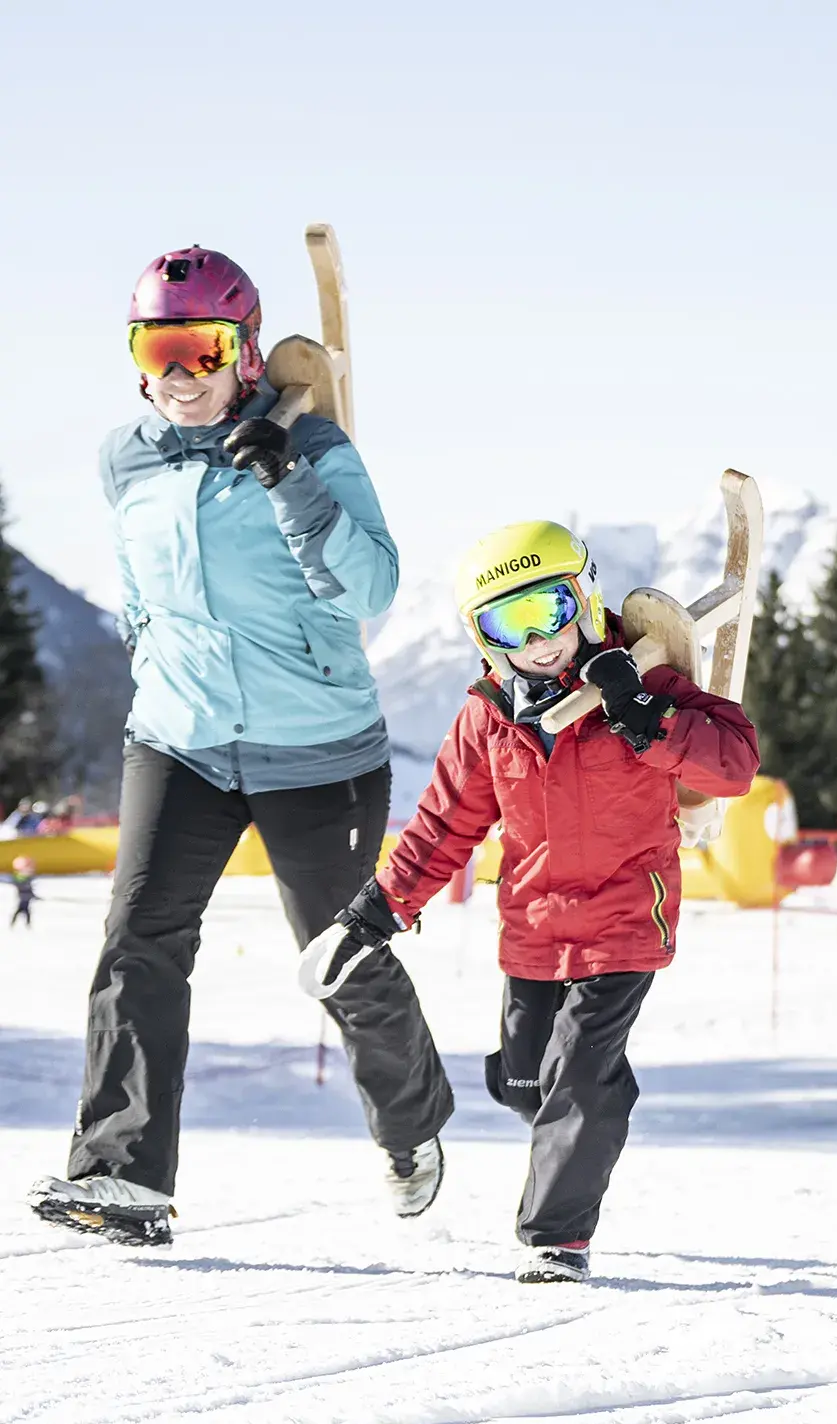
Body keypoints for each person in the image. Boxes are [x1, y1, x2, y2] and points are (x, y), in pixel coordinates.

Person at [28, 245, 453, 1247]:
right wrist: (152, 664)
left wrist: (291, 480)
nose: (180, 374)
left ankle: (411, 1121)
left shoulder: (317, 448)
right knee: (139, 942)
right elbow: (136, 585)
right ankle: (122, 1176)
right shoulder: (122, 456)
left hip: (317, 751)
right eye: (156, 349)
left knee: (337, 957)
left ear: (243, 348)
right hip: (179, 740)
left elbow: (372, 592)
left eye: (201, 348)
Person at [320, 521, 758, 1283]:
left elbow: (734, 764)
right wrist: (380, 909)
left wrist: (651, 722)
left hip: (626, 917)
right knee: (525, 1083)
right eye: (510, 624)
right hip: (533, 926)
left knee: (580, 1079)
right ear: (483, 638)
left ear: (583, 597)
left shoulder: (645, 683)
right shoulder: (489, 716)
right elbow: (446, 822)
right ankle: (583, 1098)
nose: (541, 639)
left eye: (550, 610)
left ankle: (556, 1237)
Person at [10, 856, 37, 928]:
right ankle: (24, 925)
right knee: (23, 911)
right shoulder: (22, 881)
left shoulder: (25, 882)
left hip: (25, 898)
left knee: (24, 911)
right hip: (24, 898)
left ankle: (16, 924)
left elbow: (29, 890)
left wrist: (33, 896)